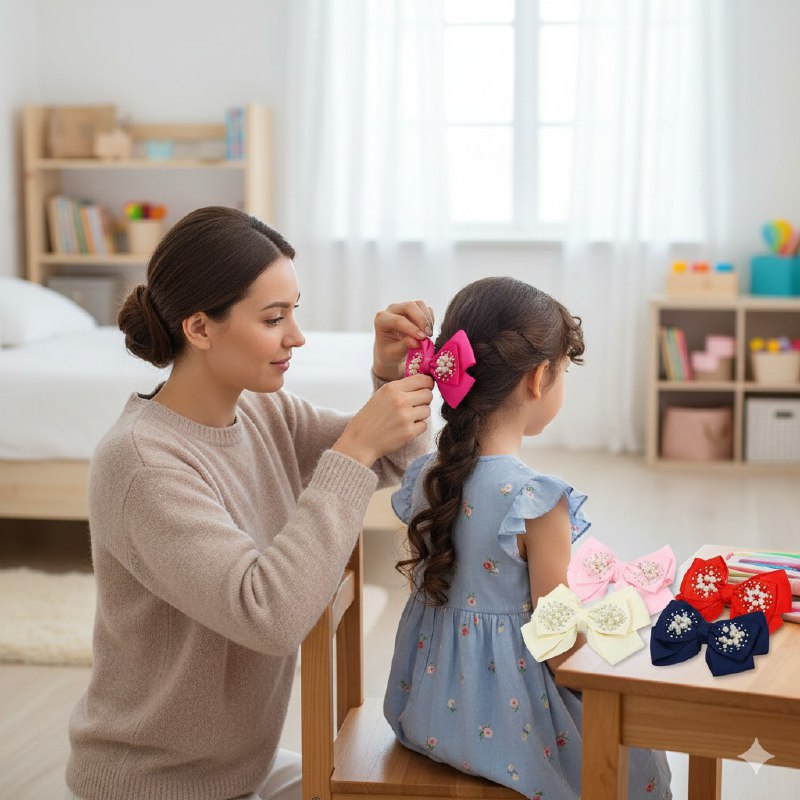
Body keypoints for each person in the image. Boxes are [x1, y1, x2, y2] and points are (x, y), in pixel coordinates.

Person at [65, 206, 435, 800]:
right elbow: (270, 616)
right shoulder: (141, 464)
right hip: (155, 785)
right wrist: (353, 448)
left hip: (240, 771)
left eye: (294, 311)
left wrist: (390, 377)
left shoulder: (264, 412)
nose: (296, 336)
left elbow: (395, 462)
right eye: (273, 317)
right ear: (199, 328)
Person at [383, 277, 672, 799]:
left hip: (425, 715)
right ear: (538, 379)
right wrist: (626, 648)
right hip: (513, 731)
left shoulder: (426, 477)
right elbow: (558, 647)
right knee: (639, 750)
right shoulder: (536, 500)